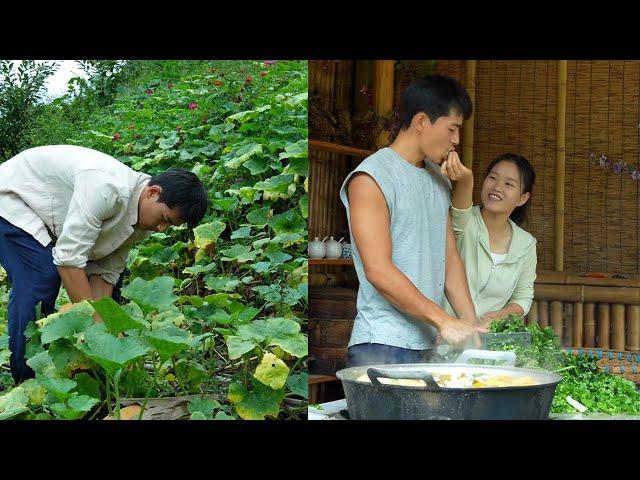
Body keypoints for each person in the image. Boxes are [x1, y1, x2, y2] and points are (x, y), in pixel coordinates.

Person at [0, 144, 209, 383]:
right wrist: (97, 324)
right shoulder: (106, 189)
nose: (161, 228)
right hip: (12, 197)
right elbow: (69, 261)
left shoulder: (143, 216)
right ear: (153, 192)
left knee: (110, 300)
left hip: (49, 213)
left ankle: (92, 375)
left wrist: (108, 333)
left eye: (170, 226)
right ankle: (27, 378)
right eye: (164, 219)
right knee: (40, 277)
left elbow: (105, 272)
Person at [339, 75, 486, 368]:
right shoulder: (371, 178)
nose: (456, 140)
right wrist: (445, 321)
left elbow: (450, 260)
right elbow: (378, 271)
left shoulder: (437, 179)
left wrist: (471, 327)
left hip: (427, 345)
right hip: (381, 343)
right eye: (452, 129)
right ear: (421, 122)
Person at [441, 151, 537, 325]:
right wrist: (466, 179)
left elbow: (523, 297)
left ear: (523, 198)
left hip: (486, 343)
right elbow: (459, 212)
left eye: (509, 184)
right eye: (492, 178)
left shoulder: (526, 244)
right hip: (443, 335)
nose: (497, 187)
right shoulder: (465, 222)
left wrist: (501, 315)